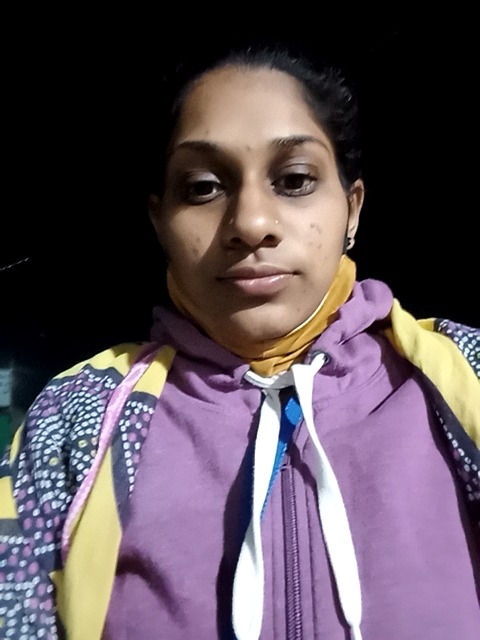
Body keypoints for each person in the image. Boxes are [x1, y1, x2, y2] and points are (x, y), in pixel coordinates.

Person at [0, 43, 478, 640]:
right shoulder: (75, 422)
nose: (251, 223)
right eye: (203, 187)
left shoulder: (464, 376)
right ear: (158, 220)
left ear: (352, 209)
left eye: (295, 180)